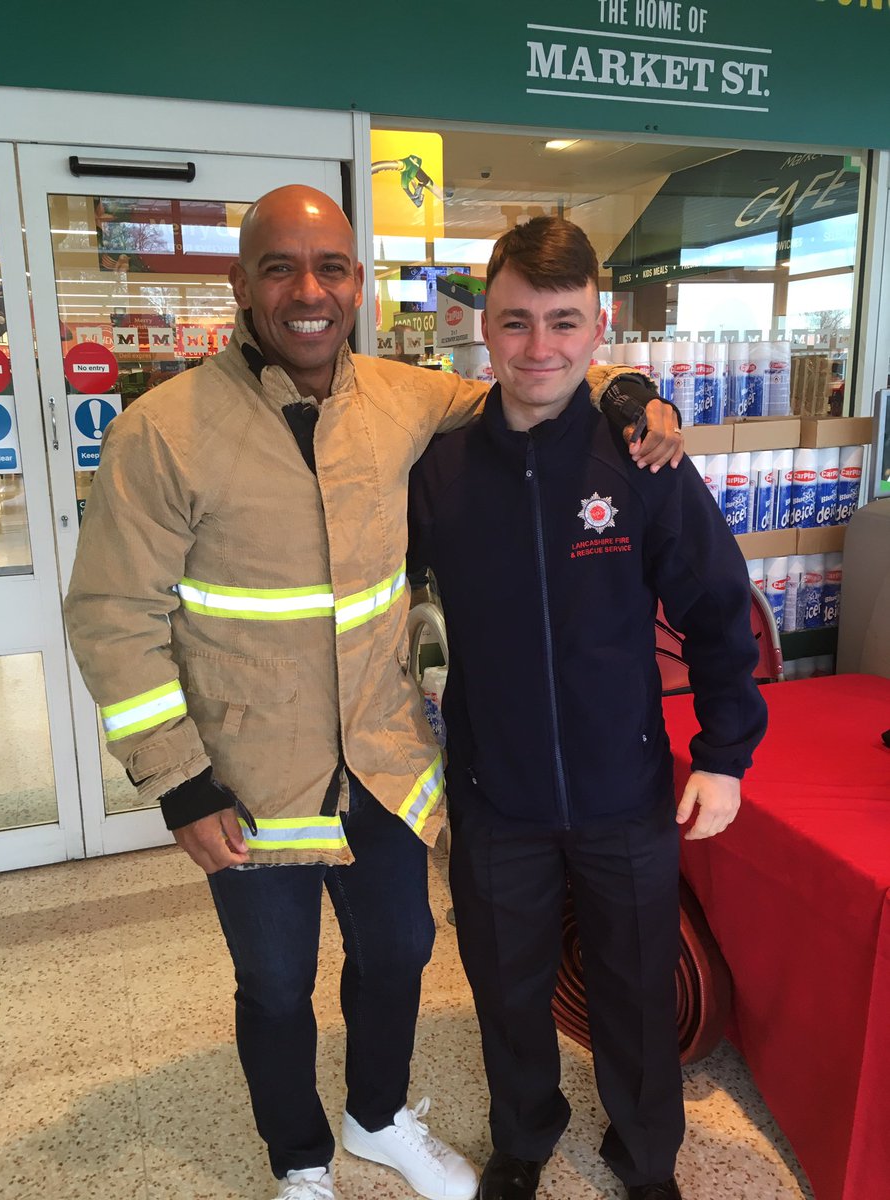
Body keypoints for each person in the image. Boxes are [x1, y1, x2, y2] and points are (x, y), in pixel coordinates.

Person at [63, 187, 683, 1200]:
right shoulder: (160, 434)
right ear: (241, 283)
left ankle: (377, 1114)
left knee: (400, 952)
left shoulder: (404, 398)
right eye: (280, 267)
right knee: (274, 983)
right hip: (250, 776)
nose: (308, 291)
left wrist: (630, 392)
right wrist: (180, 782)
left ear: (357, 283)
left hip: (384, 761)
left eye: (332, 268)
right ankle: (301, 1159)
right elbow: (110, 615)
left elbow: (539, 372)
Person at [407, 216, 768, 1200]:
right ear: (485, 323)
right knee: (506, 987)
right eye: (517, 322)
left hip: (626, 788)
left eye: (563, 322)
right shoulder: (438, 471)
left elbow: (715, 603)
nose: (540, 349)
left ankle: (645, 1154)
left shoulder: (639, 460)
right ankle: (524, 1137)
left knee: (635, 987)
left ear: (599, 322)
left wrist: (725, 751)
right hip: (496, 793)